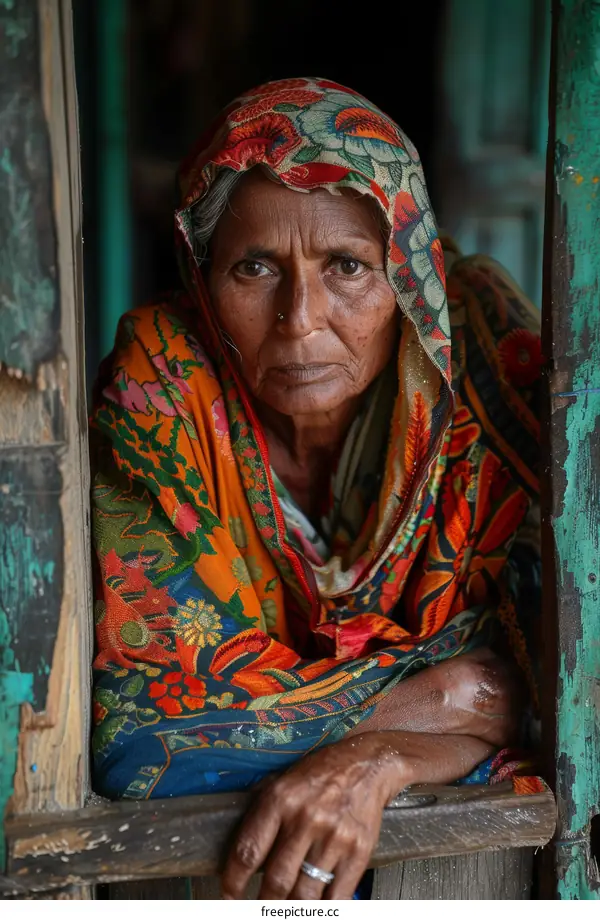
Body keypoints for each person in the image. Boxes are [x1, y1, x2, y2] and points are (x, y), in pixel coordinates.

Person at [90, 78, 543, 900]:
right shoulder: (164, 380)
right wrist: (463, 691)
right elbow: (142, 744)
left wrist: (382, 754)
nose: (300, 318)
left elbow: (564, 690)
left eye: (347, 266)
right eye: (255, 267)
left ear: (409, 279)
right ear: (203, 279)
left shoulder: (479, 350)